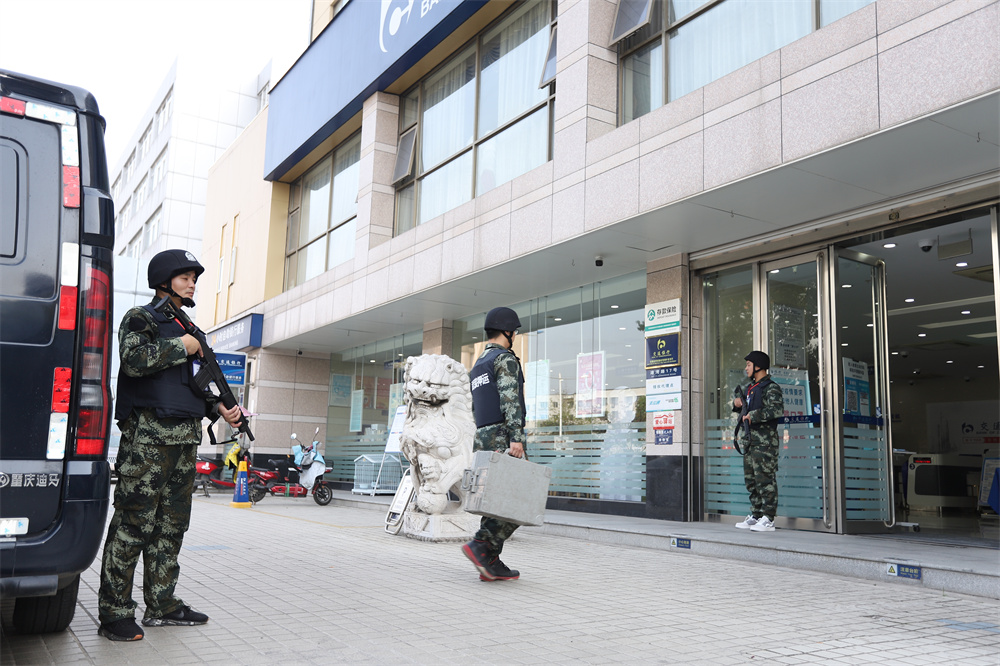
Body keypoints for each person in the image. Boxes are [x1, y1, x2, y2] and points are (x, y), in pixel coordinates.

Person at [98, 249, 244, 641]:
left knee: (172, 525)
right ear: (164, 280)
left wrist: (219, 407)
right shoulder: (142, 318)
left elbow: (191, 384)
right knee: (134, 523)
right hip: (148, 440)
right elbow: (133, 359)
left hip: (184, 440)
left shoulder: (190, 327)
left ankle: (162, 605)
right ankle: (114, 612)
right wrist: (183, 346)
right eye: (185, 277)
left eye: (194, 278)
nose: (192, 283)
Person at [462, 306, 527, 581]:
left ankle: (489, 561)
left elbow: (475, 407)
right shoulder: (504, 359)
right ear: (508, 332)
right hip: (503, 435)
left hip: (483, 437)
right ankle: (482, 545)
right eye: (514, 332)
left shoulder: (478, 364)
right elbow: (510, 401)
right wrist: (516, 438)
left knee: (494, 499)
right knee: (519, 496)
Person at [732, 350, 784, 533]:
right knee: (751, 481)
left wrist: (753, 415)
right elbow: (744, 409)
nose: (746, 368)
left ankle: (768, 518)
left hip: (765, 444)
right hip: (750, 442)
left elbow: (776, 410)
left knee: (765, 480)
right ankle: (756, 515)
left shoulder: (771, 388)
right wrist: (737, 404)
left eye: (748, 364)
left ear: (758, 366)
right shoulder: (750, 388)